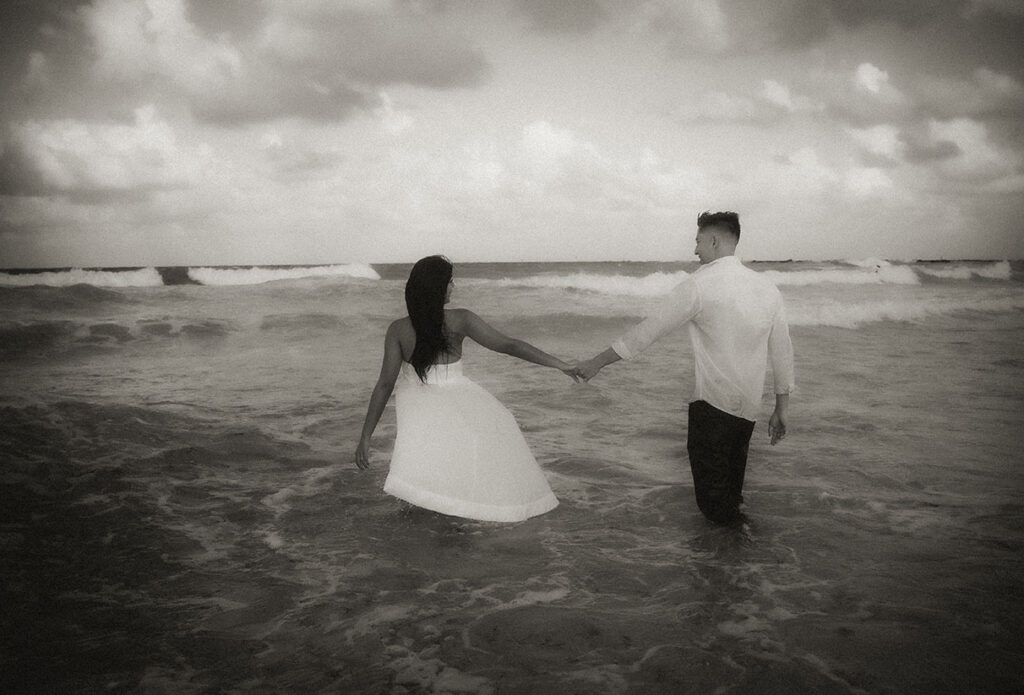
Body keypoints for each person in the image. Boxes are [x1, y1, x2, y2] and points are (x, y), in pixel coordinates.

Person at [576, 211, 795, 524]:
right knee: (729, 497)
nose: (695, 250)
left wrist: (596, 363)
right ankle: (739, 565)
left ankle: (733, 559)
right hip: (747, 413)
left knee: (713, 505)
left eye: (698, 241)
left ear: (714, 239)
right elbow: (782, 352)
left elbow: (647, 332)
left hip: (712, 408)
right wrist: (781, 409)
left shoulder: (699, 286)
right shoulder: (768, 290)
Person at [355, 255, 578, 522]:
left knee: (421, 475)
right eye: (450, 282)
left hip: (418, 406)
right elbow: (509, 345)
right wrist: (561, 365)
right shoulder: (460, 320)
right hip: (458, 400)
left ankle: (416, 534)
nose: (454, 287)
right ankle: (454, 530)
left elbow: (384, 385)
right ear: (437, 287)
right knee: (456, 469)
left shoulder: (398, 329)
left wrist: (366, 436)